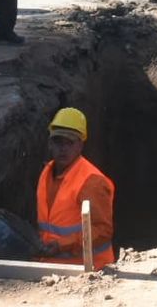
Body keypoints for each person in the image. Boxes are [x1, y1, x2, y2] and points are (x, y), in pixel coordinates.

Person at [35, 107, 115, 269]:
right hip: (51, 267)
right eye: (58, 141)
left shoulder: (92, 182)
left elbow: (103, 231)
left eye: (69, 142)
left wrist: (61, 244)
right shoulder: (46, 172)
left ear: (80, 145)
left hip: (90, 271)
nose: (63, 148)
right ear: (50, 143)